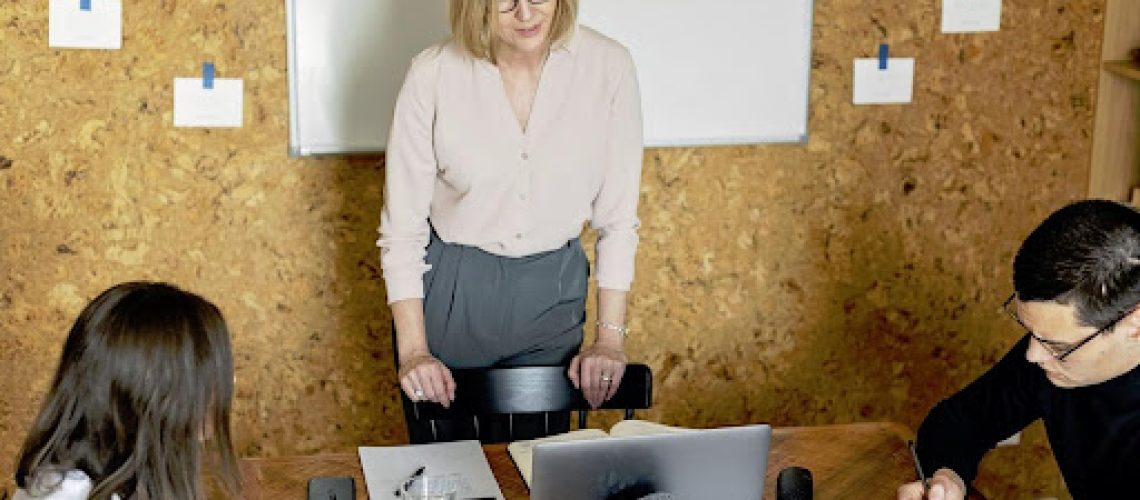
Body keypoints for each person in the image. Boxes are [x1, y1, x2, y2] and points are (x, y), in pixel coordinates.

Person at [377, 0, 644, 442]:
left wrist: (609, 340)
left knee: (537, 469)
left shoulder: (608, 68)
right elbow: (402, 231)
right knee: (452, 471)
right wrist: (415, 352)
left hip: (552, 294)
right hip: (452, 292)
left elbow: (617, 222)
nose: (525, 12)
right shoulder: (432, 74)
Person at [898, 199, 1140, 500]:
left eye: (1056, 345)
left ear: (1135, 324)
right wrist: (948, 478)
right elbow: (961, 419)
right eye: (1032, 334)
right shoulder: (1052, 355)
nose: (1033, 356)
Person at [12, 282, 241, 499]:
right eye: (210, 371)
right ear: (152, 386)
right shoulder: (69, 493)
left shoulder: (128, 482)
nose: (230, 381)